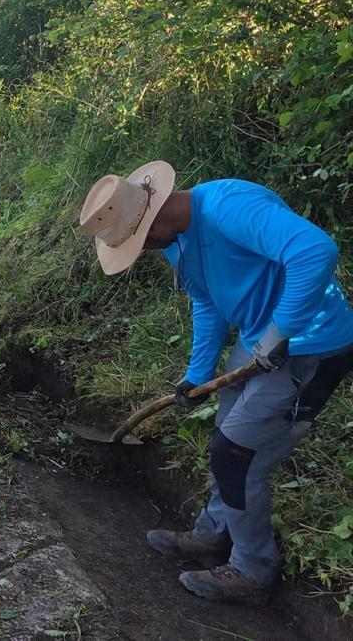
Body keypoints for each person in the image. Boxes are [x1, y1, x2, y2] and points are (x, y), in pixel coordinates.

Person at [78, 161, 353, 605]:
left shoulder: (229, 207)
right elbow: (207, 302)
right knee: (226, 438)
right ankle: (212, 535)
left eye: (138, 245)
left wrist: (280, 331)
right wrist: (197, 372)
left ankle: (253, 570)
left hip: (310, 344)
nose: (144, 252)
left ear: (151, 224)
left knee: (238, 454)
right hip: (258, 340)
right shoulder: (179, 242)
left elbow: (315, 251)